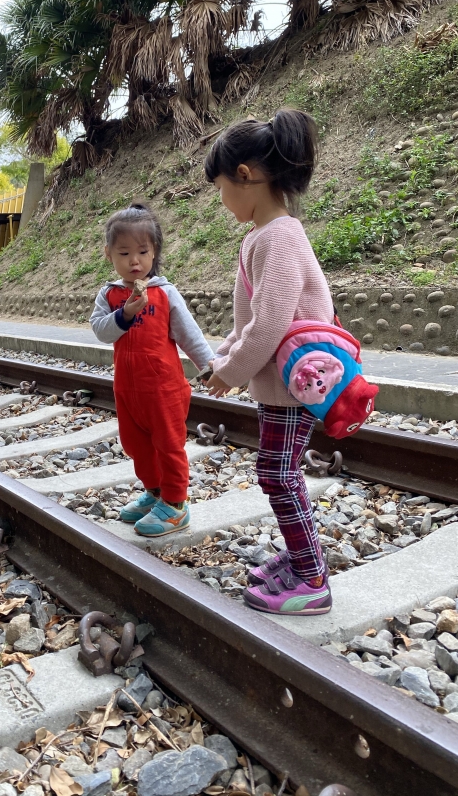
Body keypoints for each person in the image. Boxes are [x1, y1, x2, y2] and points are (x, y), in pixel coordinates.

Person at [205, 109, 334, 616]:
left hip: (295, 381)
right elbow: (247, 323)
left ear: (245, 176)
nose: (221, 200)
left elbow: (271, 324)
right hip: (283, 379)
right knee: (278, 470)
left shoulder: (278, 236)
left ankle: (312, 578)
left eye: (221, 187)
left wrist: (232, 373)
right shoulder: (261, 237)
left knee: (278, 474)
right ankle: (300, 560)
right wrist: (222, 357)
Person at [90, 203, 214, 537]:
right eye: (125, 253)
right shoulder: (110, 294)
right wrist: (125, 314)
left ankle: (176, 504)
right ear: (109, 254)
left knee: (168, 445)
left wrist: (210, 366)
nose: (135, 261)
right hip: (128, 389)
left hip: (164, 389)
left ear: (154, 252)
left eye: (143, 252)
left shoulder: (164, 292)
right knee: (137, 446)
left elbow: (189, 334)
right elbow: (100, 331)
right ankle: (155, 492)